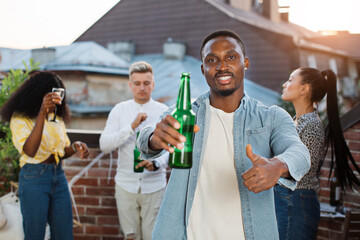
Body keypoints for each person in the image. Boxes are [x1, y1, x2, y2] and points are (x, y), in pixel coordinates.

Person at [137, 29, 310, 240]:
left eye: (231, 57)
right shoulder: (184, 114)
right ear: (203, 69)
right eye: (212, 59)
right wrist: (155, 138)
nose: (222, 66)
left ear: (245, 63)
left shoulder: (271, 117)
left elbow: (299, 152)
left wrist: (278, 166)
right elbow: (145, 137)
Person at [0, 71, 89, 240]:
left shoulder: (55, 117)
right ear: (38, 93)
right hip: (34, 177)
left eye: (58, 92)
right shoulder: (20, 117)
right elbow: (30, 150)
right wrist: (42, 113)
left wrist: (76, 146)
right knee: (35, 234)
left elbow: (61, 152)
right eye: (51, 92)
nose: (56, 97)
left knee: (64, 233)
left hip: (58, 175)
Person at [276, 68, 360, 240]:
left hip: (297, 201)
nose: (285, 84)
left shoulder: (312, 125)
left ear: (304, 89)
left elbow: (299, 168)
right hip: (287, 200)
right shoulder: (294, 121)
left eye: (291, 80)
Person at [99, 61, 169, 240]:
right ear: (130, 85)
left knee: (154, 236)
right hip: (125, 185)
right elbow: (104, 145)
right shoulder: (119, 110)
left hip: (155, 186)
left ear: (153, 84)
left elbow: (172, 149)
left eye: (146, 83)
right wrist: (131, 127)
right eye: (137, 83)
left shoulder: (164, 111)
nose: (142, 87)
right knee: (130, 237)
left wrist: (156, 163)